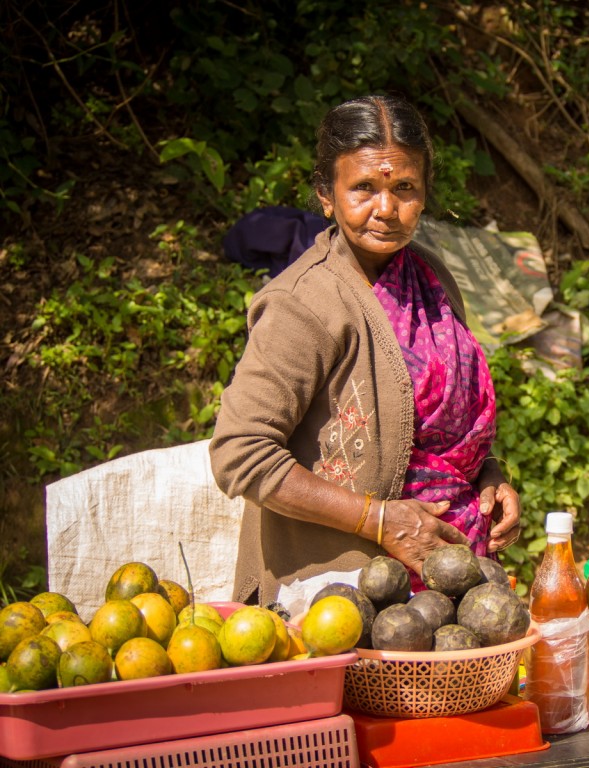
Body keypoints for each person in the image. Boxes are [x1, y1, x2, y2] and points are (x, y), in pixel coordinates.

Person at [209, 94, 521, 607]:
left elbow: (441, 429)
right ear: (326, 196)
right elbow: (240, 453)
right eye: (363, 188)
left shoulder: (432, 277)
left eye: (404, 188)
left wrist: (487, 473)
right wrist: (378, 520)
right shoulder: (302, 303)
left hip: (447, 573)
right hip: (331, 595)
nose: (386, 209)